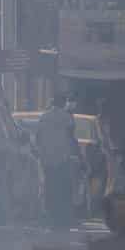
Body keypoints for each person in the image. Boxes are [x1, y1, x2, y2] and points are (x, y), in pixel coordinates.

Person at [36, 95, 79, 229]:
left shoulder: (44, 117)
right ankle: (62, 218)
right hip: (63, 158)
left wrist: (41, 151)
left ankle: (50, 216)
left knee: (49, 186)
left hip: (47, 158)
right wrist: (77, 153)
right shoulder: (67, 117)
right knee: (63, 188)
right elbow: (71, 137)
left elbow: (38, 137)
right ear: (63, 103)